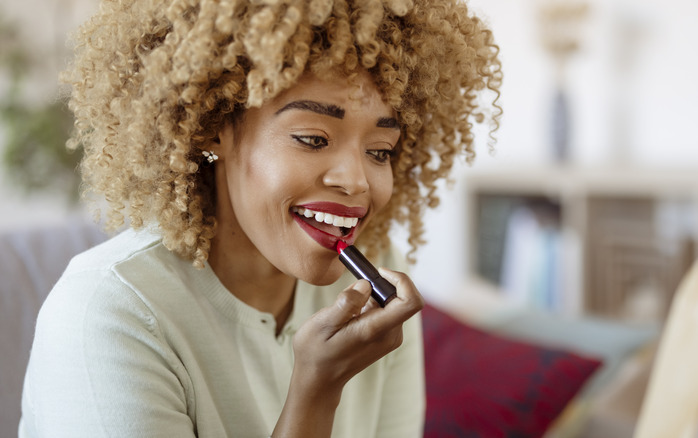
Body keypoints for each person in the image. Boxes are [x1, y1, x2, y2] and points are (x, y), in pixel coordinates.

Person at [19, 0, 502, 437]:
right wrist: (316, 393)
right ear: (212, 129)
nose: (356, 181)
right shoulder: (110, 312)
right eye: (313, 139)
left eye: (380, 151)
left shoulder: (378, 276)